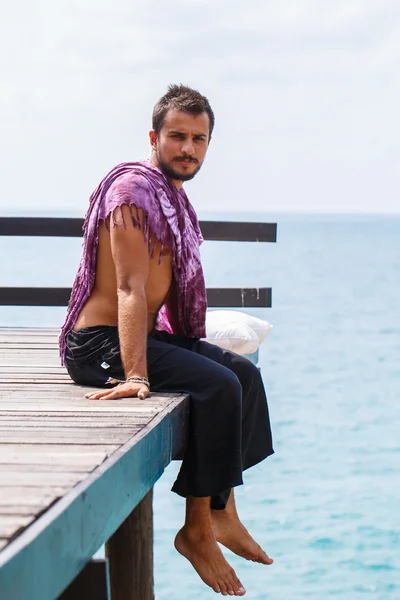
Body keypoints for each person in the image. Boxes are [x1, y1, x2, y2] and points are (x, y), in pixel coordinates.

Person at [60, 84, 274, 596]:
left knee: (244, 375)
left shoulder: (171, 197)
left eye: (199, 139)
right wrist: (136, 375)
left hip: (139, 338)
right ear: (154, 137)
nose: (188, 148)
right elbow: (131, 287)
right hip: (99, 347)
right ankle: (196, 529)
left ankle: (221, 509)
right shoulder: (132, 194)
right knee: (219, 386)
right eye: (177, 136)